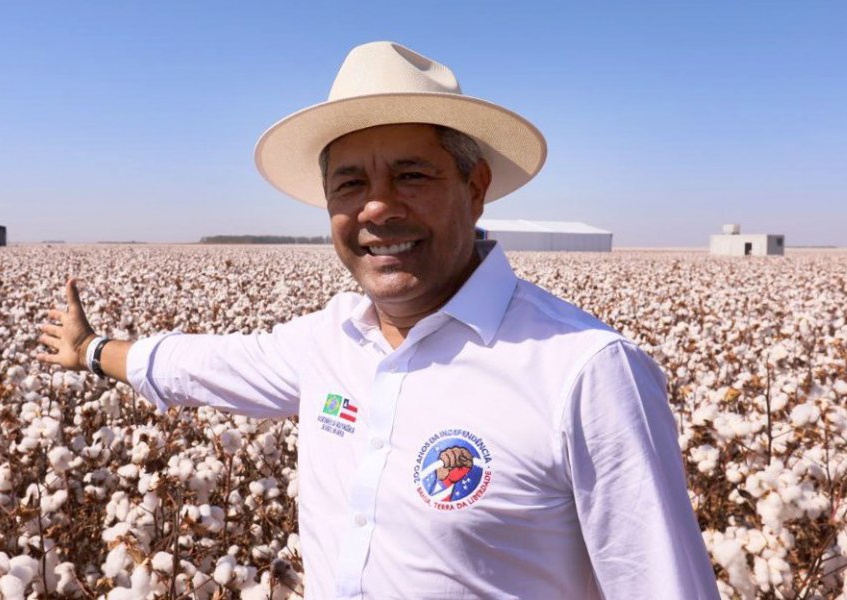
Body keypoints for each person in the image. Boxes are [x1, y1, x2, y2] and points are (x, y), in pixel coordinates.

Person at [37, 41, 718, 599]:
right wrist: (93, 349)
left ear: (474, 189)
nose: (377, 209)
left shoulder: (585, 372)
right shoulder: (328, 341)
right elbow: (202, 365)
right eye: (351, 185)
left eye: (412, 176)